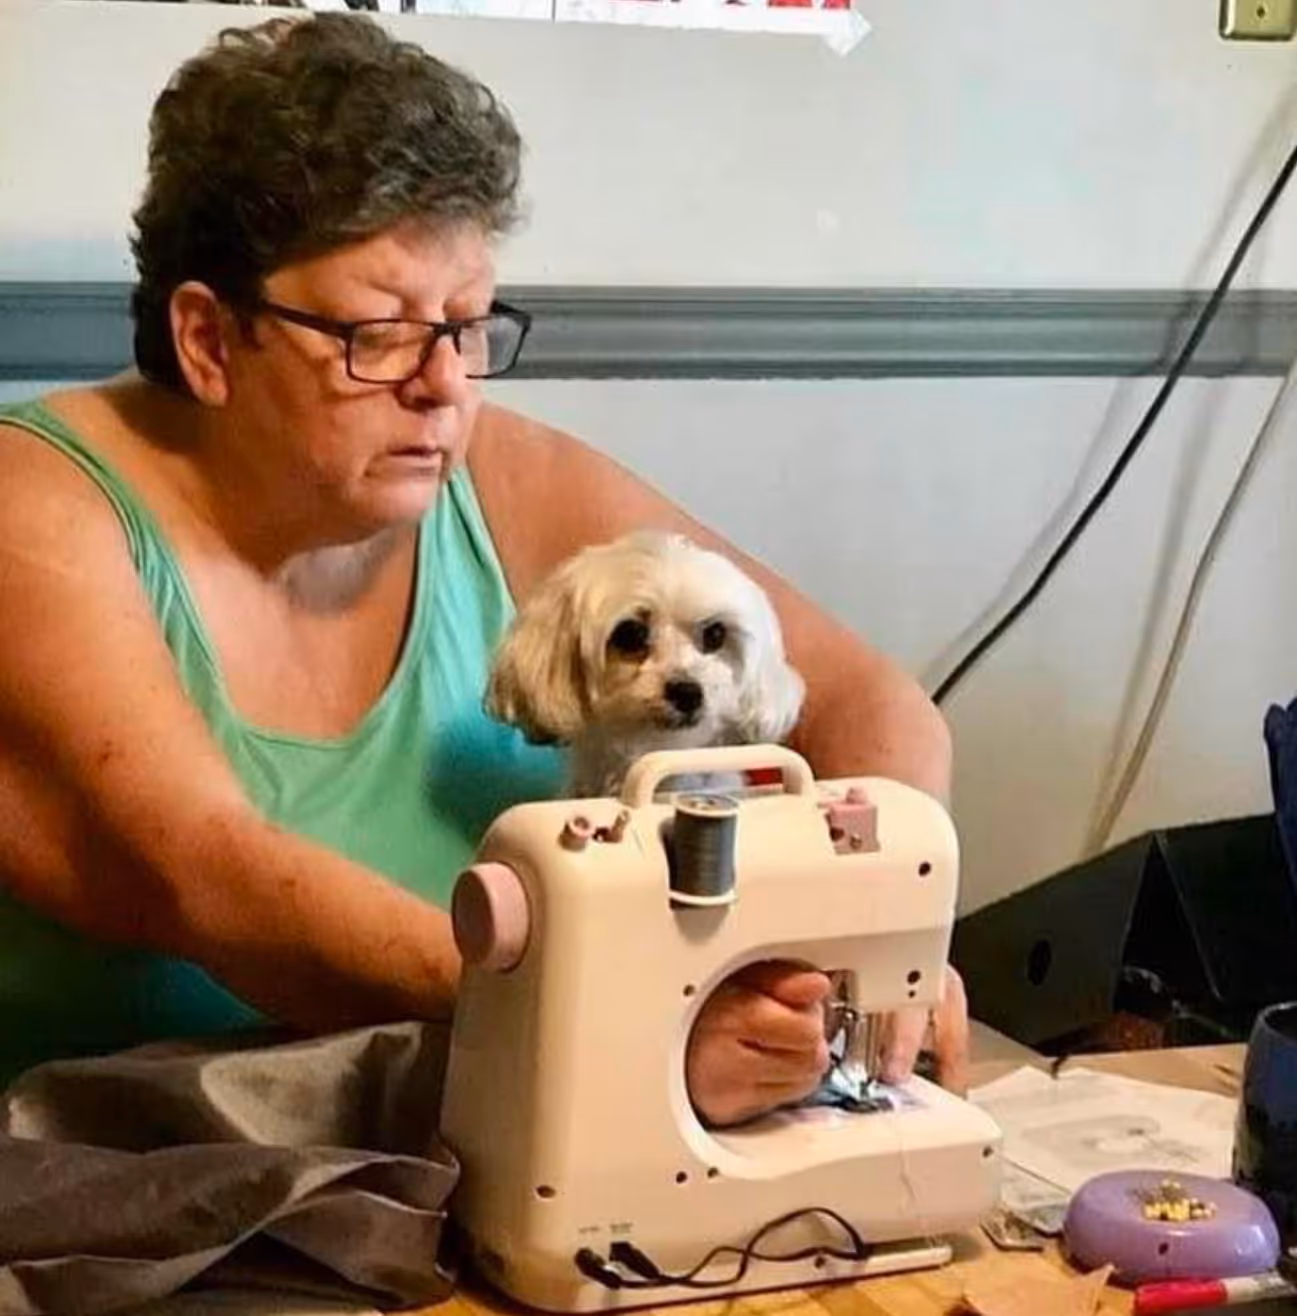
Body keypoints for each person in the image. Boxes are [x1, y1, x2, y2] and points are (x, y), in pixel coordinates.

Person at [0, 13, 967, 1125]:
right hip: (131, 1181)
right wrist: (622, 1021)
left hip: (471, 1143)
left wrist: (879, 932)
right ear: (210, 342)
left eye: (465, 325)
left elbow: (867, 702)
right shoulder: (36, 507)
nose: (445, 384)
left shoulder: (486, 470)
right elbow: (212, 877)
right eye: (378, 333)